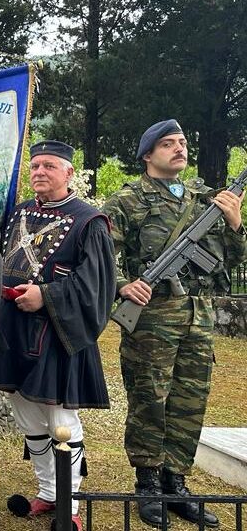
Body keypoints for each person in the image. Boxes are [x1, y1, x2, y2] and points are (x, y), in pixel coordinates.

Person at [102, 119, 246, 528]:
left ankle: (176, 483)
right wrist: (123, 285)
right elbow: (98, 253)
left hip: (197, 318)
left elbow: (229, 262)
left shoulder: (207, 200)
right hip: (150, 318)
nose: (179, 149)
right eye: (168, 144)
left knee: (189, 400)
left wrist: (235, 224)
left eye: (182, 142)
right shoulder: (127, 201)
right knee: (150, 397)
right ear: (148, 155)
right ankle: (147, 484)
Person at [0, 140, 115, 531]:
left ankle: (69, 503)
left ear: (69, 173)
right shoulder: (17, 213)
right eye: (35, 166)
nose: (40, 172)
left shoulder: (90, 222)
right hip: (12, 329)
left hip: (58, 334)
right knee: (26, 416)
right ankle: (47, 491)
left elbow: (98, 287)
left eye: (49, 167)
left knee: (61, 420)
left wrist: (48, 296)